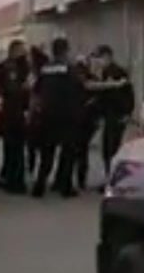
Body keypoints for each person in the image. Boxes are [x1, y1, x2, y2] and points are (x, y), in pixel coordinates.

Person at [31, 37, 84, 198]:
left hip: (47, 116)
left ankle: (39, 186)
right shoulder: (70, 69)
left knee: (47, 153)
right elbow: (79, 89)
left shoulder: (45, 68)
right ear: (66, 50)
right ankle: (65, 187)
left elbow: (37, 90)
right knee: (68, 153)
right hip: (66, 116)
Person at [0, 39, 30, 193]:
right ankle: (14, 182)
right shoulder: (10, 67)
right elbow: (9, 89)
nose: (24, 53)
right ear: (14, 51)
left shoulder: (23, 66)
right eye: (21, 50)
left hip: (15, 113)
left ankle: (11, 179)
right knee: (14, 150)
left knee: (15, 149)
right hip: (12, 113)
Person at [91, 44, 136, 178]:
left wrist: (127, 113)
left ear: (107, 56)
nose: (97, 61)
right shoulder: (106, 72)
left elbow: (127, 94)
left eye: (99, 57)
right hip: (111, 115)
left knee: (111, 149)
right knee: (108, 149)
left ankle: (113, 179)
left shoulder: (117, 72)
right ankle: (110, 177)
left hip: (116, 116)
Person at [74, 55, 101, 191]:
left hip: (84, 120)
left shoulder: (88, 79)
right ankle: (80, 180)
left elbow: (98, 100)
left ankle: (80, 179)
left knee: (80, 150)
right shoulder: (74, 79)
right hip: (81, 120)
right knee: (80, 151)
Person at [25, 45, 48, 176]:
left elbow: (31, 90)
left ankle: (33, 171)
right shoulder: (44, 73)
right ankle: (39, 172)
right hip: (44, 112)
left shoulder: (36, 74)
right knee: (42, 148)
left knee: (32, 146)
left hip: (36, 113)